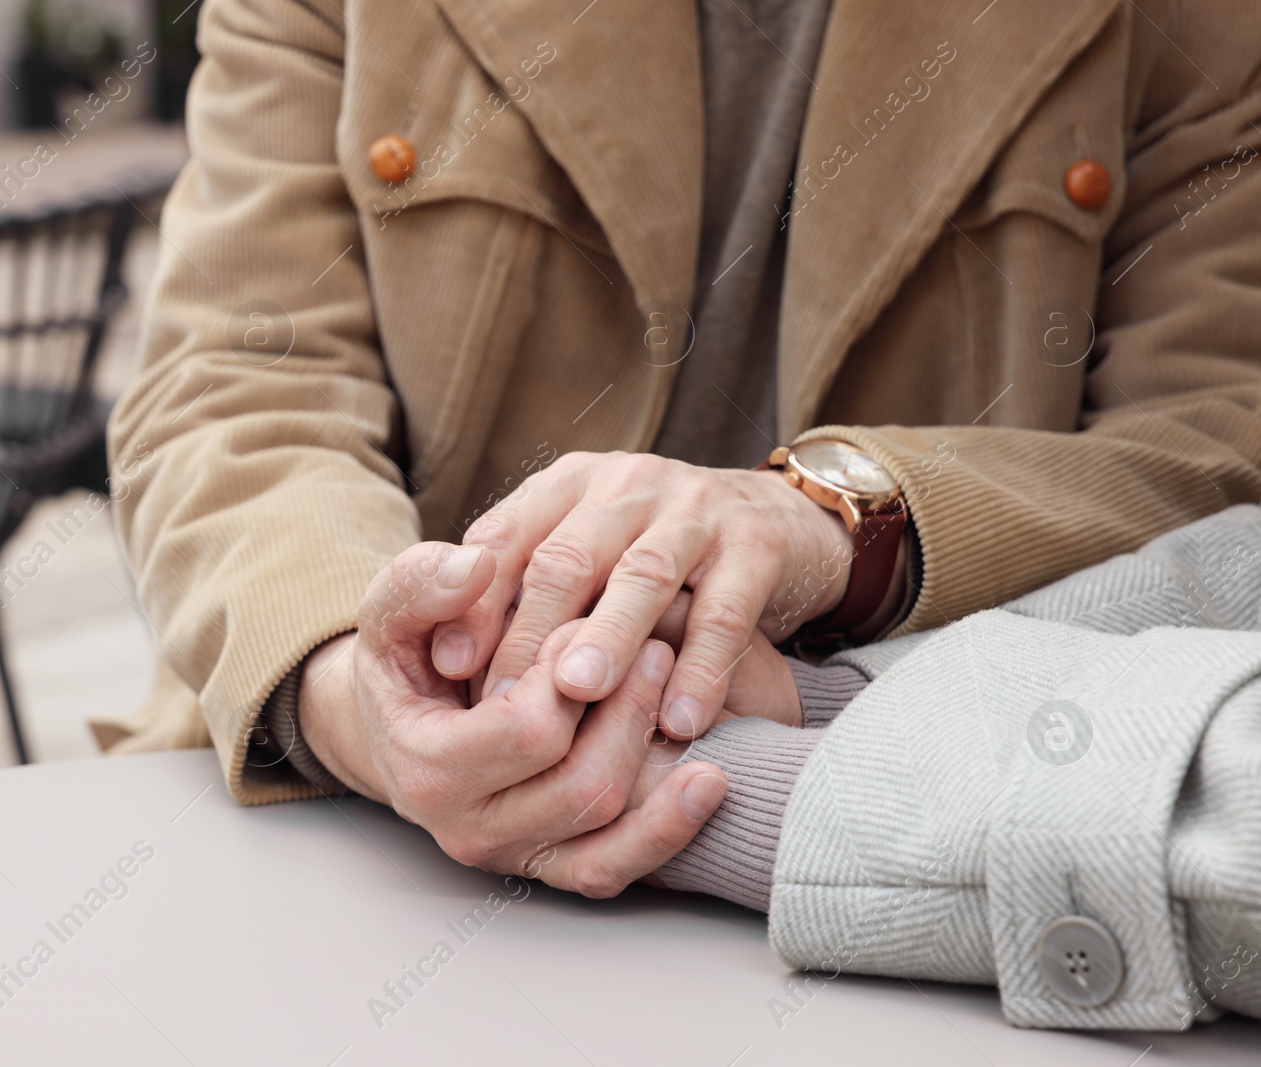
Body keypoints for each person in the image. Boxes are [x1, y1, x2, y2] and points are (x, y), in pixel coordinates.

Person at [100, 0, 1261, 1028]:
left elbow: (1218, 446)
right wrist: (363, 688)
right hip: (340, 851)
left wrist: (838, 525)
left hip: (918, 859)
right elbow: (233, 382)